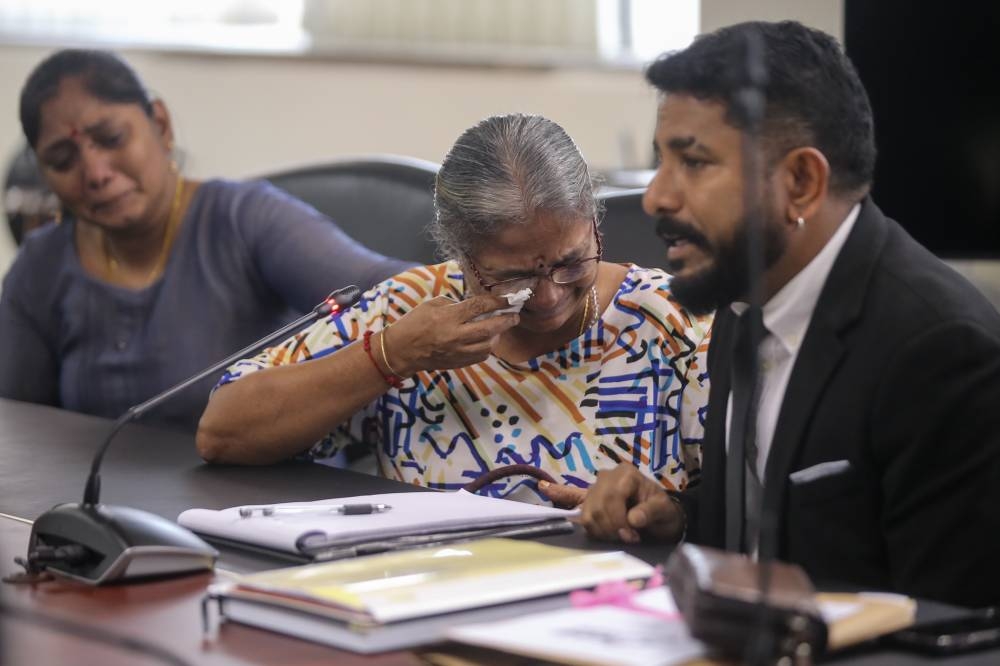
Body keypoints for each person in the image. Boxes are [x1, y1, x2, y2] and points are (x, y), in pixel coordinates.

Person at [551, 21, 1000, 607]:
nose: (657, 196)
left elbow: (954, 631)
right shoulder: (745, 297)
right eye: (661, 161)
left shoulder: (939, 350)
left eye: (694, 163)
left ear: (801, 182)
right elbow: (774, 534)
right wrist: (678, 518)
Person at [196, 113, 712, 504]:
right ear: (459, 257)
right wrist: (390, 358)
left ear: (595, 226)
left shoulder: (674, 323)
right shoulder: (408, 311)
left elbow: (747, 515)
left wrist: (668, 516)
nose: (549, 296)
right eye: (513, 276)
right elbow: (222, 433)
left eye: (570, 262)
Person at [0, 49, 413, 430]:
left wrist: (470, 279)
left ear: (160, 125)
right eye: (61, 161)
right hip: (97, 504)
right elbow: (18, 425)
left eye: (111, 139)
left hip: (262, 502)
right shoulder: (42, 264)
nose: (94, 172)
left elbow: (388, 289)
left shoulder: (245, 219)